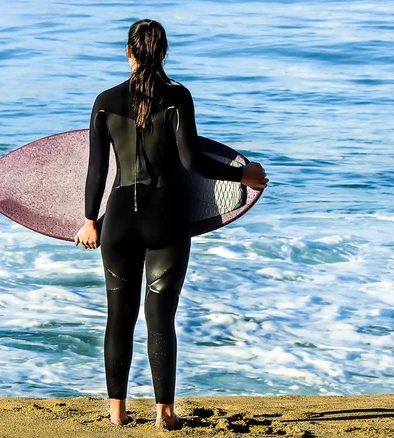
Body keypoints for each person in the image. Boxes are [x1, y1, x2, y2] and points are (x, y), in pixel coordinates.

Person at [74, 19, 268, 431]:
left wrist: (90, 220)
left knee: (118, 317)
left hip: (119, 220)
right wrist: (243, 176)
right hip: (168, 220)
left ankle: (117, 412)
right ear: (163, 53)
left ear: (128, 52)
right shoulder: (178, 97)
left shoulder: (105, 101)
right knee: (161, 318)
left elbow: (97, 170)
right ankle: (165, 414)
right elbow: (193, 160)